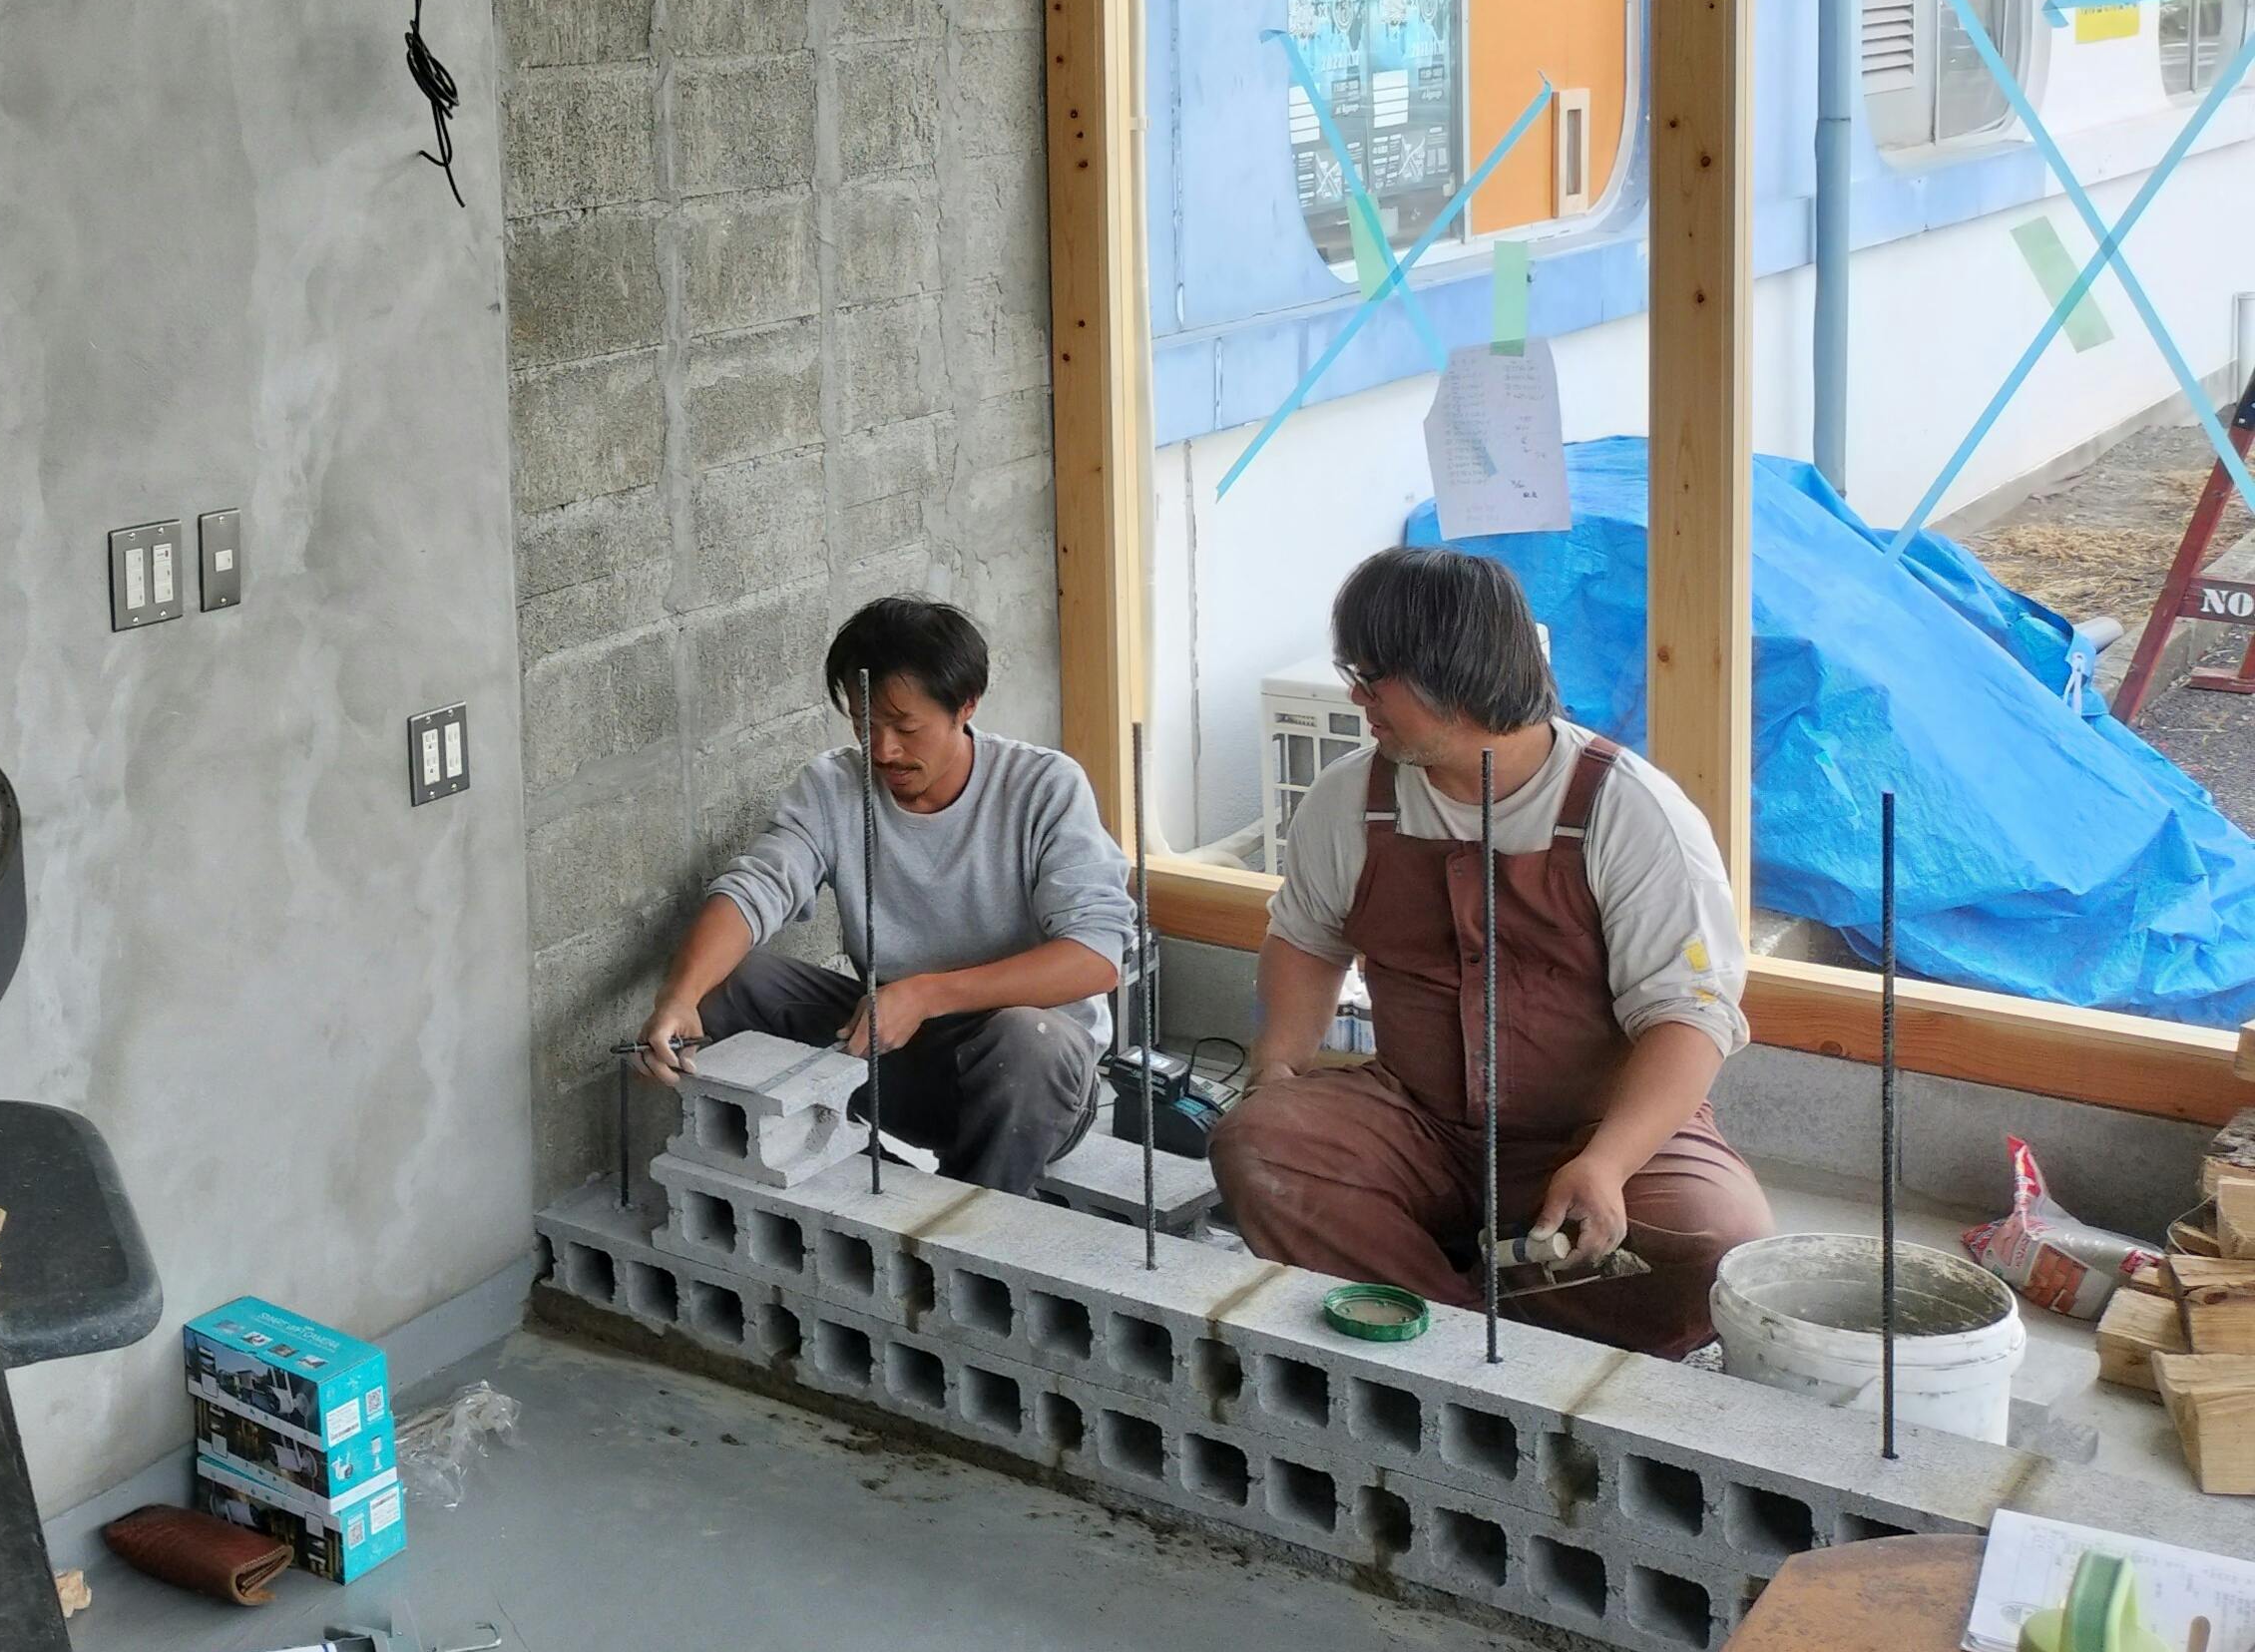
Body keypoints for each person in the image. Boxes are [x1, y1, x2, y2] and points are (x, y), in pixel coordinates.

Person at [1206, 545, 1769, 1356]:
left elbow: (1690, 1015)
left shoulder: (1629, 810)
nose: (1357, 697)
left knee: (1716, 1240)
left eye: (1372, 677)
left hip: (1590, 1128)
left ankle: (1471, 1314)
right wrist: (1277, 1067)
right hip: (1417, 1119)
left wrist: (1609, 1162)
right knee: (1260, 1144)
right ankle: (1454, 1338)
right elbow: (1305, 938)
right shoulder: (1349, 799)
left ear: (1453, 674)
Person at [632, 597, 1133, 1192]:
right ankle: (848, 1183)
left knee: (1029, 1040)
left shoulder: (1042, 787)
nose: (884, 750)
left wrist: (927, 994)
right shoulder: (834, 786)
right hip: (890, 1050)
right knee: (727, 981)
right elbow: (757, 885)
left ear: (966, 705)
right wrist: (679, 995)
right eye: (864, 725)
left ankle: (971, 1225)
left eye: (905, 727)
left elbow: (1097, 957)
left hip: (1031, 1088)